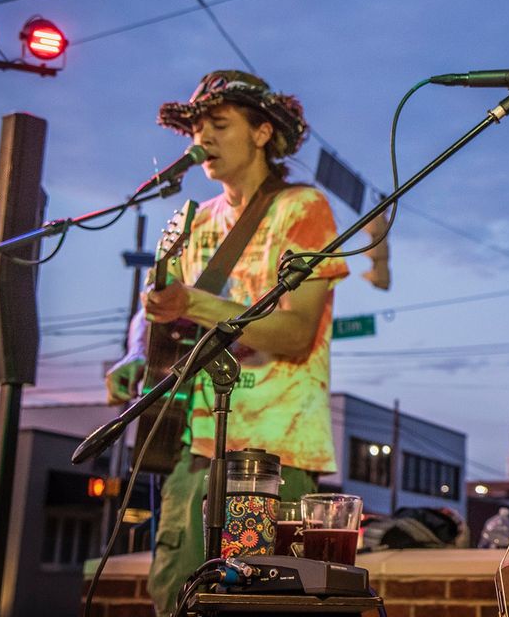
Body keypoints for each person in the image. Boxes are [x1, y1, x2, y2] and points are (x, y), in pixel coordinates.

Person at [105, 70, 348, 616]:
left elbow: (294, 334)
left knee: (259, 604)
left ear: (263, 133)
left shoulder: (302, 208)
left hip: (274, 453)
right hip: (196, 448)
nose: (202, 139)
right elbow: (163, 315)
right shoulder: (197, 221)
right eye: (195, 129)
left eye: (219, 124)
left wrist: (193, 303)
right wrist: (135, 355)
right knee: (177, 597)